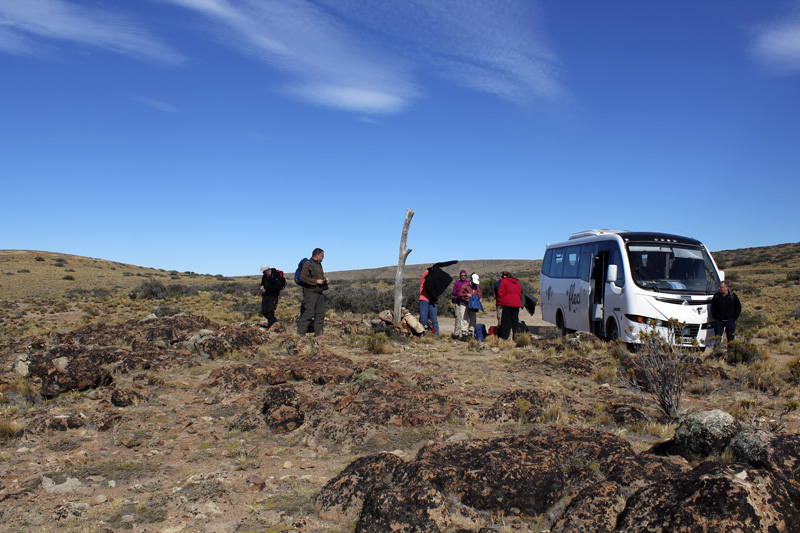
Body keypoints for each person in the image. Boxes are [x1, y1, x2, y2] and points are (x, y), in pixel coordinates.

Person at [297, 248, 328, 335]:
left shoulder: (319, 264)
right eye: (322, 255)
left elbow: (317, 276)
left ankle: (319, 335)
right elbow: (302, 278)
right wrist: (315, 281)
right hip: (310, 293)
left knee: (320, 314)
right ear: (317, 255)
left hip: (319, 293)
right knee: (308, 313)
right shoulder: (308, 264)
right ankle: (300, 334)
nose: (323, 257)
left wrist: (324, 279)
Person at [710, 280, 742, 345]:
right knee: (717, 337)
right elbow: (713, 307)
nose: (720, 289)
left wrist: (734, 318)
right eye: (719, 287)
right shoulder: (716, 296)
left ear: (726, 288)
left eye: (721, 287)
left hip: (730, 320)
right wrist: (715, 316)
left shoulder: (732, 296)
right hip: (719, 321)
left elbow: (738, 307)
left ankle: (730, 352)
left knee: (731, 338)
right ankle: (717, 352)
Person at [259, 264, 286, 329]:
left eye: (264, 271)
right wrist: (262, 287)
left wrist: (266, 290)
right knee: (264, 311)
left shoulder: (275, 275)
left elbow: (276, 287)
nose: (263, 273)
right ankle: (274, 322)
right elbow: (262, 283)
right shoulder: (264, 276)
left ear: (267, 270)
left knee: (270, 311)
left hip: (273, 296)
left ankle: (271, 326)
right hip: (265, 296)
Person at [497, 271, 522, 340]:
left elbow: (501, 293)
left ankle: (504, 338)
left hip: (507, 303)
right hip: (516, 303)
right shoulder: (516, 283)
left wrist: (500, 303)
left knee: (505, 321)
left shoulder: (504, 282)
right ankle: (516, 337)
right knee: (515, 321)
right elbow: (520, 293)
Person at [459, 273, 483, 337]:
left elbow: (479, 293)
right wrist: (466, 295)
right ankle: (464, 332)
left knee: (473, 318)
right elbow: (460, 294)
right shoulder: (465, 285)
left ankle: (470, 331)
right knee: (464, 318)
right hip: (464, 304)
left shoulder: (477, 286)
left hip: (473, 304)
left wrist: (480, 298)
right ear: (471, 279)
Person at [419, 269, 440, 336]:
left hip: (433, 300)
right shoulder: (425, 277)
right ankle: (420, 333)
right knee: (423, 319)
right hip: (424, 298)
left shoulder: (435, 281)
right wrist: (429, 271)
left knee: (434, 320)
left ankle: (436, 335)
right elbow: (426, 274)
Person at [452, 270, 469, 338]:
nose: (463, 277)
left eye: (464, 275)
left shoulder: (468, 283)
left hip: (466, 303)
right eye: (462, 275)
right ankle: (456, 333)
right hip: (459, 302)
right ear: (460, 276)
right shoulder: (457, 283)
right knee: (458, 317)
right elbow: (453, 292)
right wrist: (460, 294)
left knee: (465, 318)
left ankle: (465, 333)